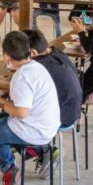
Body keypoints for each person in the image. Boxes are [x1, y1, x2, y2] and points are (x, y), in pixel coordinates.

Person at [0, 31, 61, 185]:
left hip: (32, 129)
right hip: (47, 126)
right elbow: (20, 91)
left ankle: (9, 168)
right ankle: (37, 152)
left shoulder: (22, 76)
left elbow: (21, 112)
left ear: (6, 57)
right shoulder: (35, 67)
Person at [23, 29, 82, 176]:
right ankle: (41, 150)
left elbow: (25, 93)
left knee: (15, 118)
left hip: (62, 116)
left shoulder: (40, 65)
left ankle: (44, 151)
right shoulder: (56, 53)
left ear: (33, 53)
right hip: (74, 111)